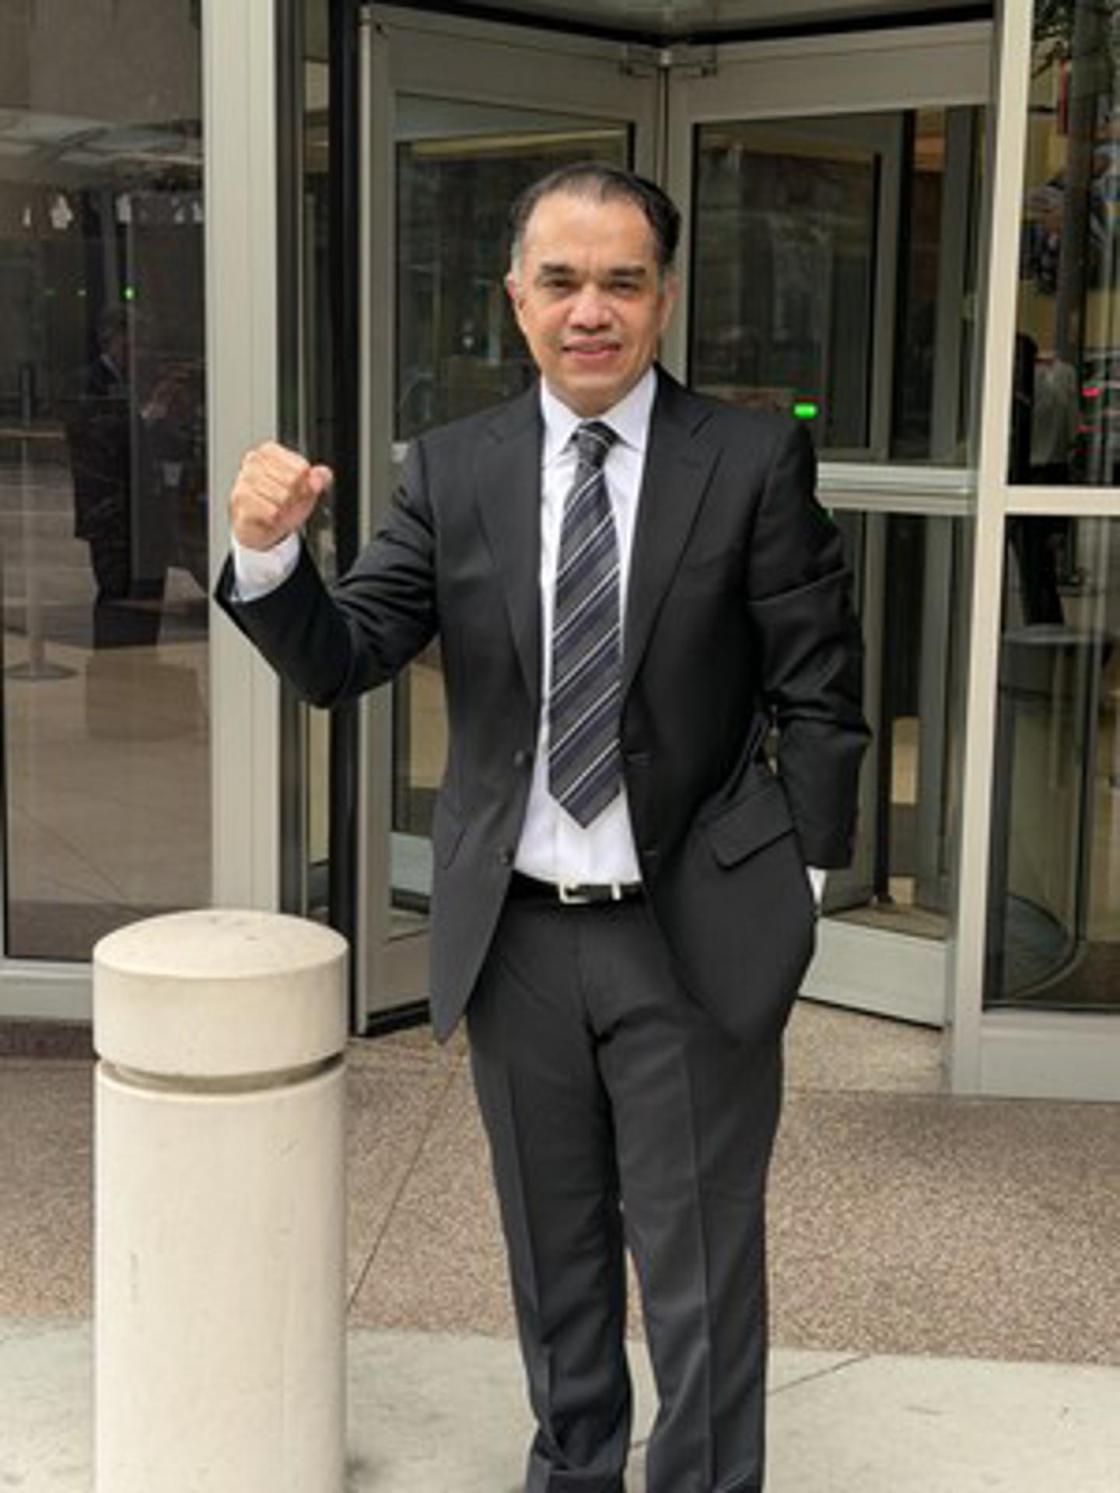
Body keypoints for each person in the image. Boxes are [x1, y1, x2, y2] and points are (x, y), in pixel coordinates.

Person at [217, 164, 868, 1493]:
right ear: (515, 297)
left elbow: (820, 686)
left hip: (690, 937)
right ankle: (573, 1473)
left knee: (699, 1268)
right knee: (553, 1256)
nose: (591, 310)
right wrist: (274, 557)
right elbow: (347, 656)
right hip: (516, 939)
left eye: (623, 281)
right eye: (561, 281)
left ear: (664, 298)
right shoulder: (455, 468)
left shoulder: (748, 461)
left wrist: (788, 888)